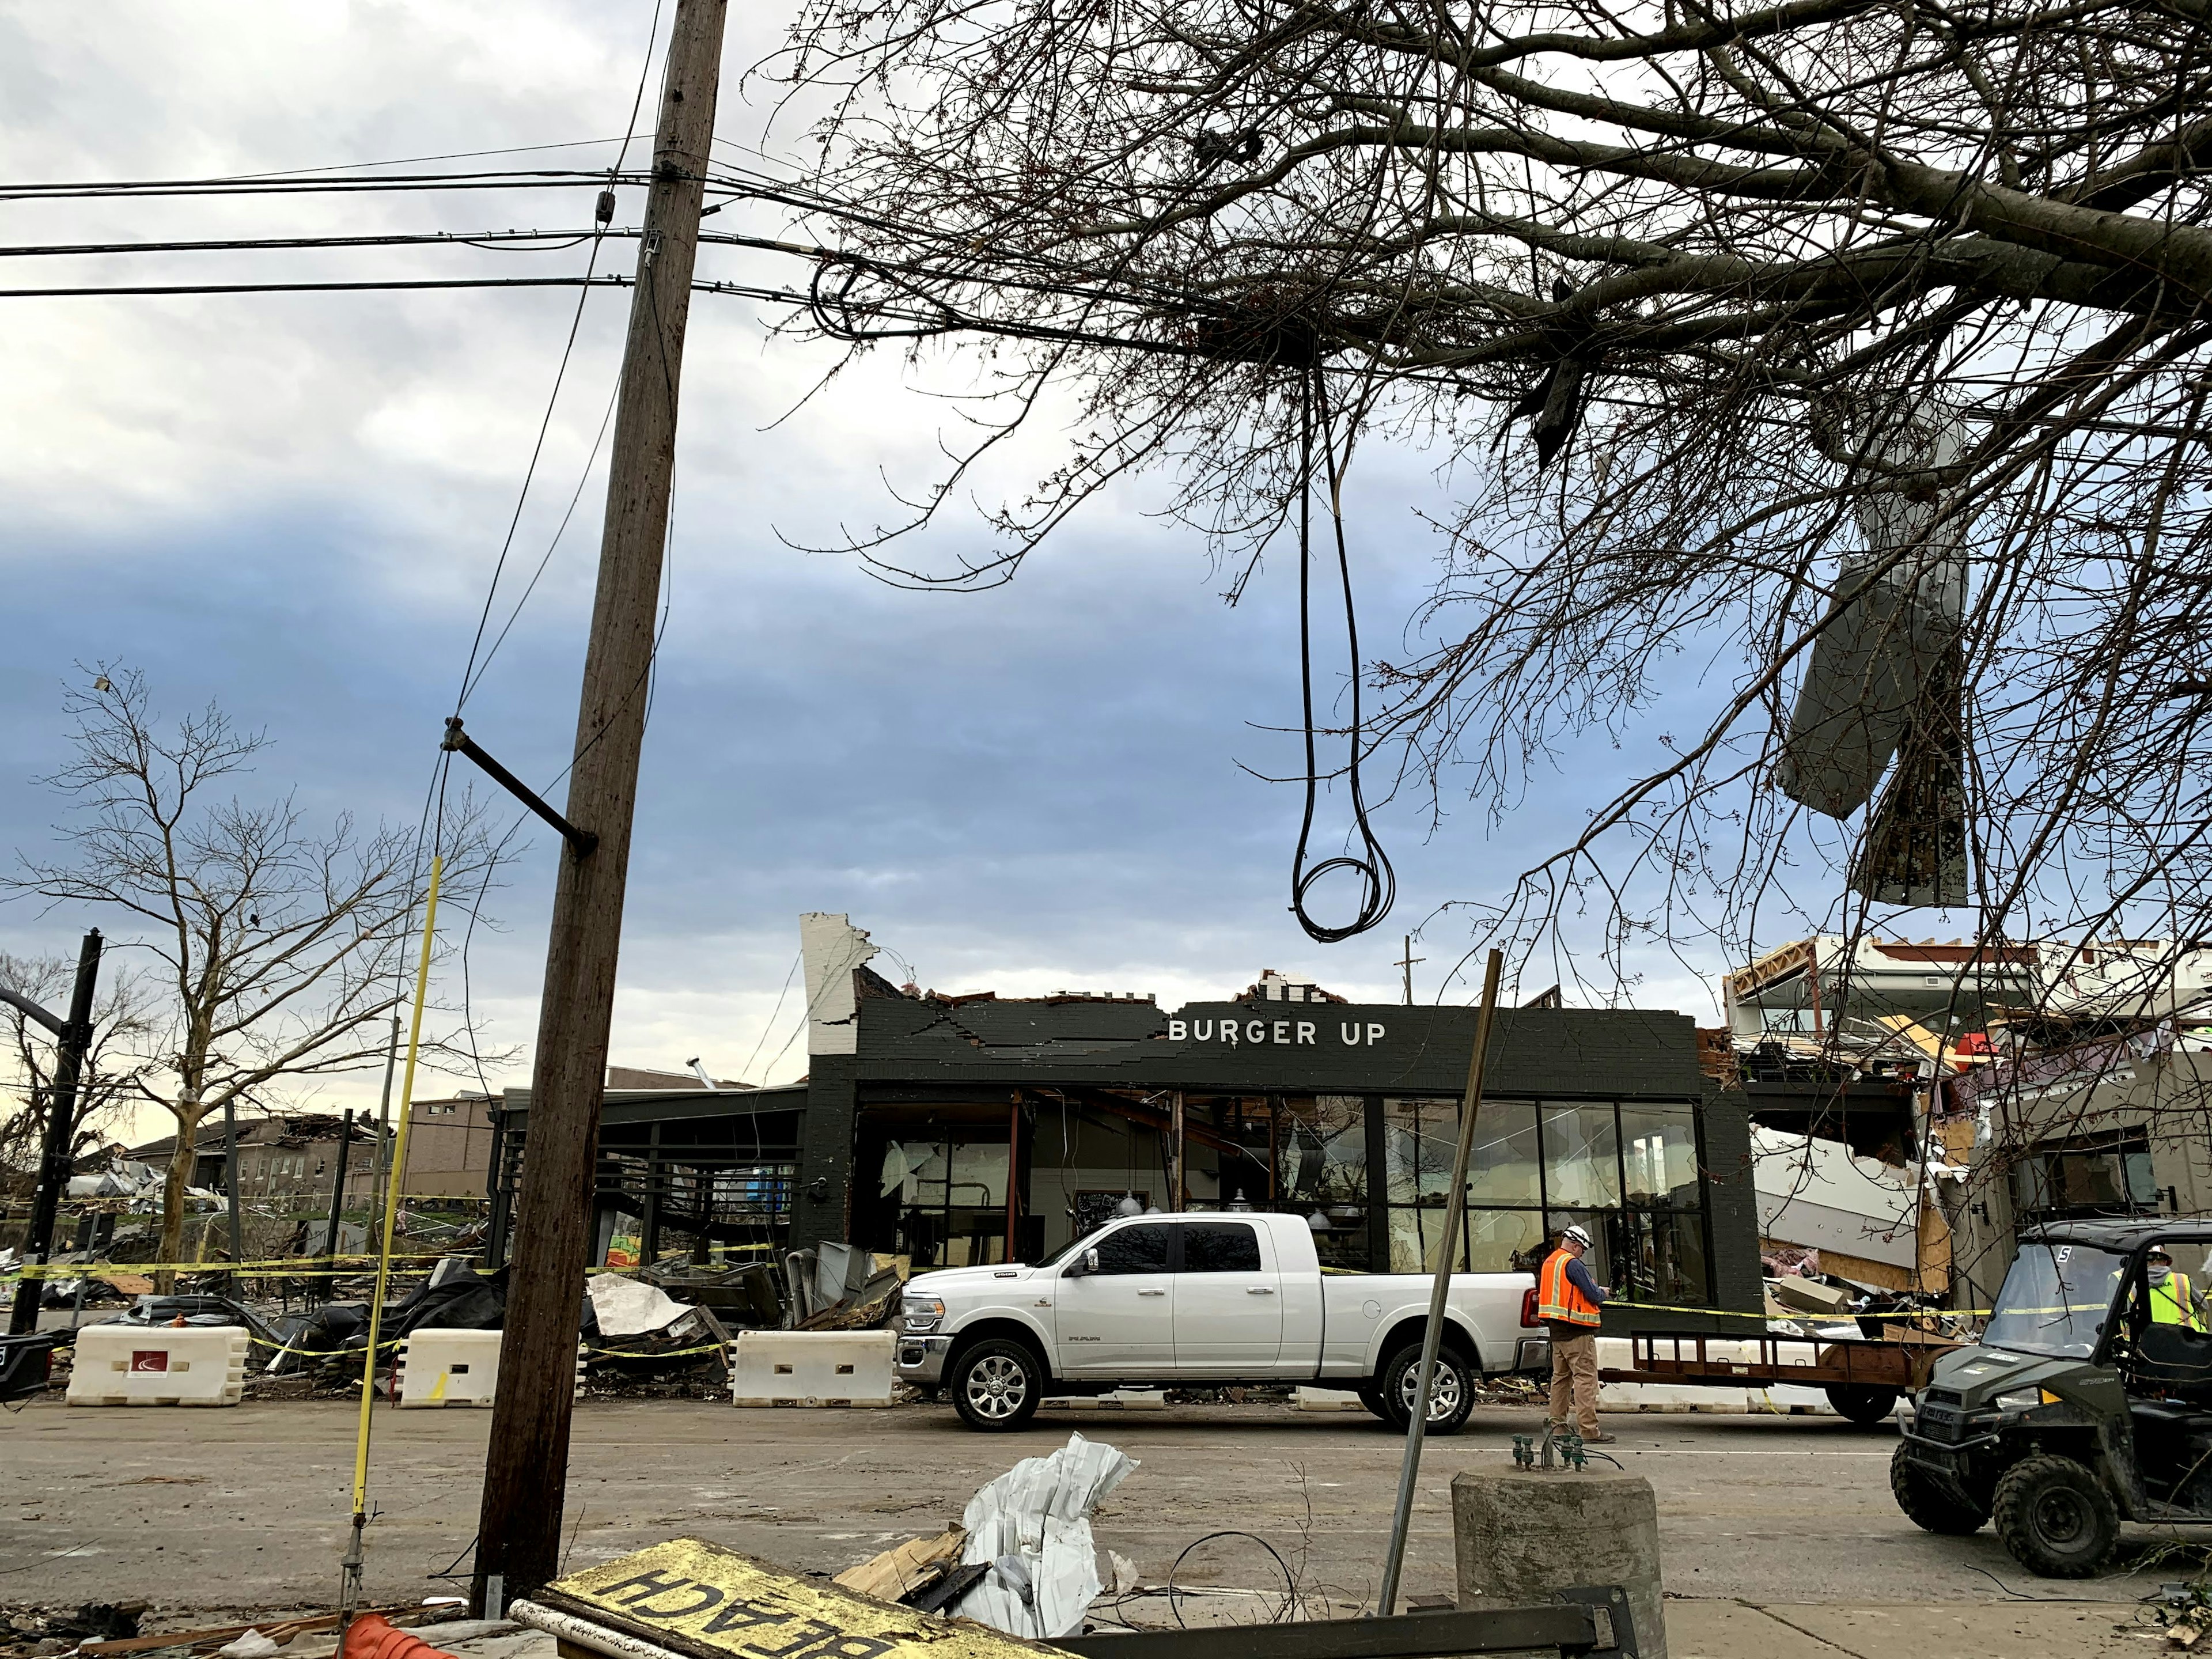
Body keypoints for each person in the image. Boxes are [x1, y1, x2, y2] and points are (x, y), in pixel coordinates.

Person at [1539, 1223, 1612, 1443]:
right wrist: (1603, 1293)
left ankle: (1557, 1428)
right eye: (1582, 1248)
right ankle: (1589, 1430)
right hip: (1577, 1332)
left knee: (1560, 1381)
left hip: (1557, 1334)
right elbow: (1592, 1294)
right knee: (1585, 1380)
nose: (1582, 1253)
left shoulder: (1550, 1263)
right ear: (1574, 1245)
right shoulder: (1572, 1264)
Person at [2147, 1247, 2203, 1331]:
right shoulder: (2182, 1280)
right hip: (2188, 1337)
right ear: (2165, 1261)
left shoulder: (2135, 1286)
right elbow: (2203, 1306)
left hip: (2156, 1338)